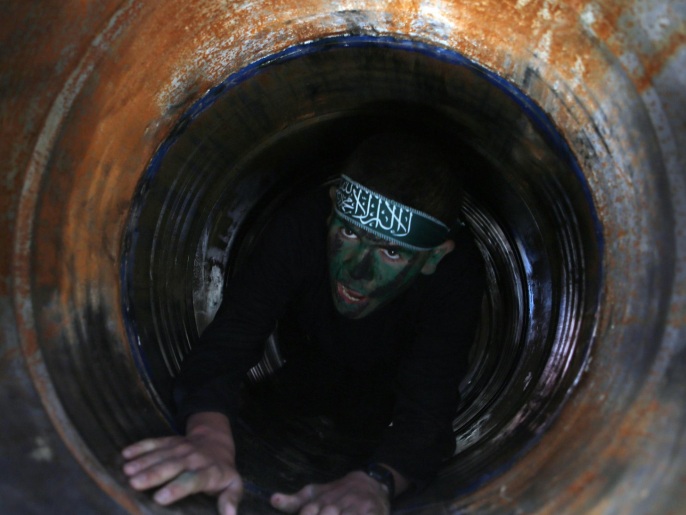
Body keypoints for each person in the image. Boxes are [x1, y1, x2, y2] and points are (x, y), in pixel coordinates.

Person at [122, 131, 485, 515]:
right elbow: (234, 333)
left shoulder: (456, 273)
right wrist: (208, 438)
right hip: (305, 358)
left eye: (392, 252)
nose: (356, 271)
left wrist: (377, 481)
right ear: (331, 209)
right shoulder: (302, 223)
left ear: (433, 258)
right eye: (348, 232)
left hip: (388, 389)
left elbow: (430, 400)